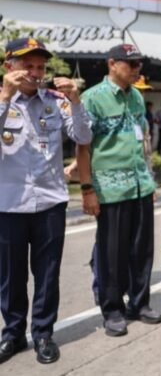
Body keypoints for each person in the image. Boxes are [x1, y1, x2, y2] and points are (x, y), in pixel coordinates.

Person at [0, 38, 92, 364]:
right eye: (28, 66)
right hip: (8, 205)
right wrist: (5, 98)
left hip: (51, 203)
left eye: (40, 67)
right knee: (10, 276)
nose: (36, 73)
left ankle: (42, 334)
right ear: (9, 66)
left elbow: (83, 137)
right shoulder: (1, 99)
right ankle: (12, 334)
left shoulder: (57, 102)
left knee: (47, 273)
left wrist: (77, 100)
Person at [76, 43, 161, 337]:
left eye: (139, 64)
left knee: (142, 250)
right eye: (131, 64)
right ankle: (112, 309)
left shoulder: (137, 96)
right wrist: (87, 189)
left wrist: (148, 178)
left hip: (139, 185)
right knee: (112, 254)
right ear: (112, 63)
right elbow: (83, 149)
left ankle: (139, 303)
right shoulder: (92, 99)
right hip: (110, 189)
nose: (138, 69)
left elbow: (144, 140)